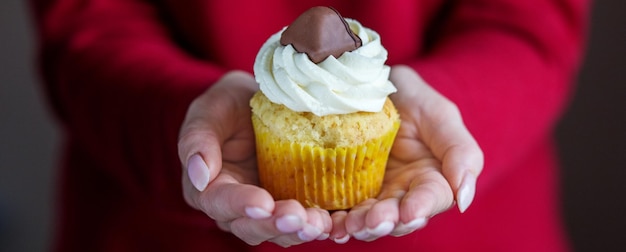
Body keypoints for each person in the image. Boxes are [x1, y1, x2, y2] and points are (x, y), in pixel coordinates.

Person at [29, 0, 589, 251]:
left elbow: (529, 17)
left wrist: (458, 104)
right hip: (155, 223)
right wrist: (182, 117)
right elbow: (88, 20)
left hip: (466, 230)